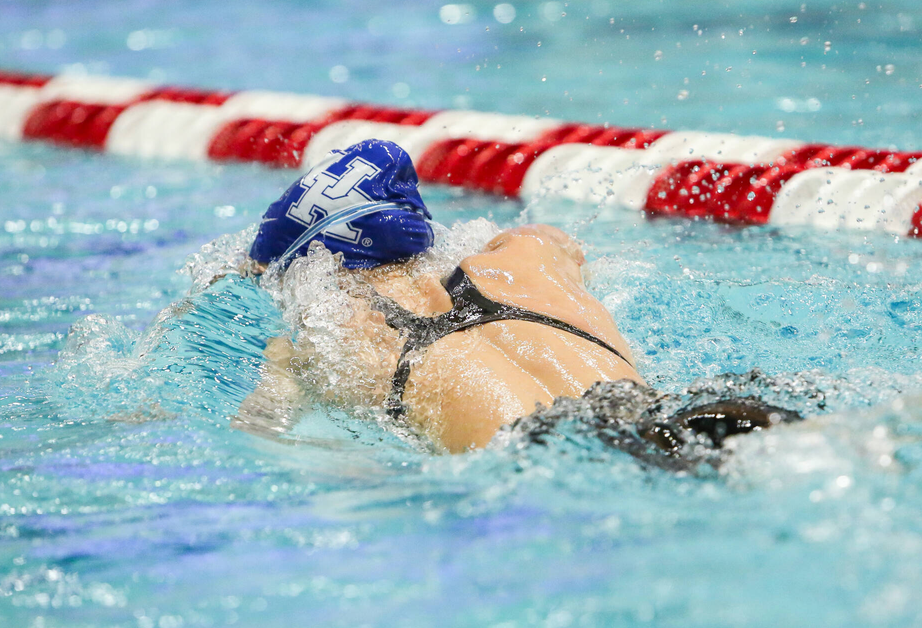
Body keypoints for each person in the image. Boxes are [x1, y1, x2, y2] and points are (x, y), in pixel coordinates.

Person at [237, 138, 799, 465]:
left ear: (317, 268)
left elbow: (263, 439)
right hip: (700, 409)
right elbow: (563, 240)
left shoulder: (321, 338)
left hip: (561, 460)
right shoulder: (528, 258)